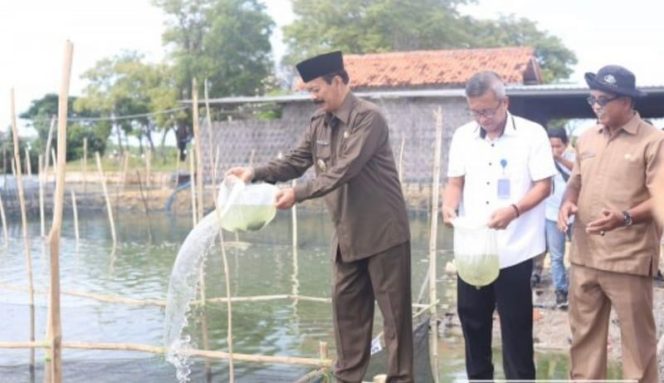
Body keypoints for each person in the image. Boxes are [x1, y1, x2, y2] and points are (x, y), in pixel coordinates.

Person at [226, 51, 414, 382]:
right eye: (309, 91)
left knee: (395, 320)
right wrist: (254, 172)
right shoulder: (318, 124)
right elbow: (296, 160)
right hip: (346, 235)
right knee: (347, 319)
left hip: (384, 234)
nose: (312, 98)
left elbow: (345, 169)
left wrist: (297, 193)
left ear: (338, 81)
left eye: (315, 90)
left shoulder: (368, 118)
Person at [442, 71, 555, 380]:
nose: (482, 118)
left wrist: (515, 210)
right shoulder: (463, 136)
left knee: (516, 329)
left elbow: (545, 186)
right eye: (475, 111)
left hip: (515, 248)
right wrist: (448, 205)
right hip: (473, 249)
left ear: (505, 102)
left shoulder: (532, 135)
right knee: (473, 323)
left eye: (488, 111)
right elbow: (455, 183)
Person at [558, 65, 664, 383]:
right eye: (593, 99)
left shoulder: (653, 140)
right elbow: (574, 182)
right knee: (584, 342)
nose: (596, 106)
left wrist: (626, 217)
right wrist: (567, 203)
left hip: (628, 259)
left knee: (638, 348)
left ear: (627, 102)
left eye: (603, 100)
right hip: (585, 256)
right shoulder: (587, 137)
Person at [532, 128, 573, 308]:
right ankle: (561, 292)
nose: (554, 149)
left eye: (558, 146)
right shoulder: (541, 160)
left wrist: (559, 159)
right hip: (551, 214)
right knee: (556, 256)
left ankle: (580, 289)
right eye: (551, 146)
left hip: (574, 213)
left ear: (565, 144)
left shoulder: (573, 157)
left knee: (578, 255)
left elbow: (581, 172)